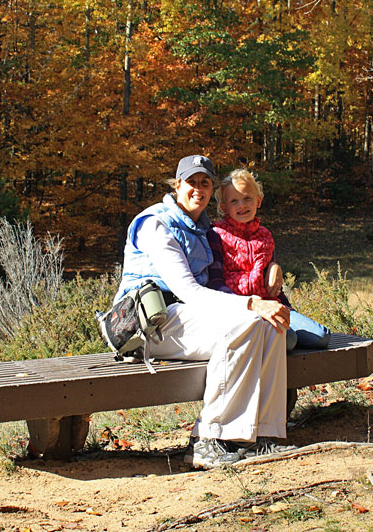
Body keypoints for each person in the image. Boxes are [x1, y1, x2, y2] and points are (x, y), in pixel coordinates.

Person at [113, 155, 295, 469]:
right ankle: (207, 440)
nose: (198, 189)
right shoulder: (156, 223)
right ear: (177, 184)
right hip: (146, 324)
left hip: (185, 318)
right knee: (247, 322)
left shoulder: (202, 227)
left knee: (270, 325)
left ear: (211, 190)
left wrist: (272, 269)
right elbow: (187, 291)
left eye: (205, 183)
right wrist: (252, 303)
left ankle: (265, 435)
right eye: (191, 182)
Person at [207, 169, 331, 351]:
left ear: (258, 201)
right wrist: (249, 305)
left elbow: (270, 279)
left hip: (273, 303)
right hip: (243, 309)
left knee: (321, 337)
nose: (242, 205)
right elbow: (215, 282)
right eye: (234, 201)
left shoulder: (265, 236)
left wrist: (274, 267)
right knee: (288, 339)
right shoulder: (216, 235)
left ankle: (276, 339)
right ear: (225, 207)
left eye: (247, 198)